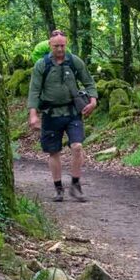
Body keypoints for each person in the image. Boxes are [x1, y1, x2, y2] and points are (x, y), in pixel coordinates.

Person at [27, 29, 98, 202]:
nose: (60, 49)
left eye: (63, 45)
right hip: (51, 114)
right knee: (54, 152)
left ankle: (76, 184)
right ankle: (58, 188)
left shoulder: (74, 61)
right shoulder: (41, 65)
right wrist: (33, 114)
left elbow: (88, 82)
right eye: (56, 46)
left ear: (66, 45)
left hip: (73, 112)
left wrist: (93, 100)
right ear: (50, 45)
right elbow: (34, 90)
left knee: (77, 147)